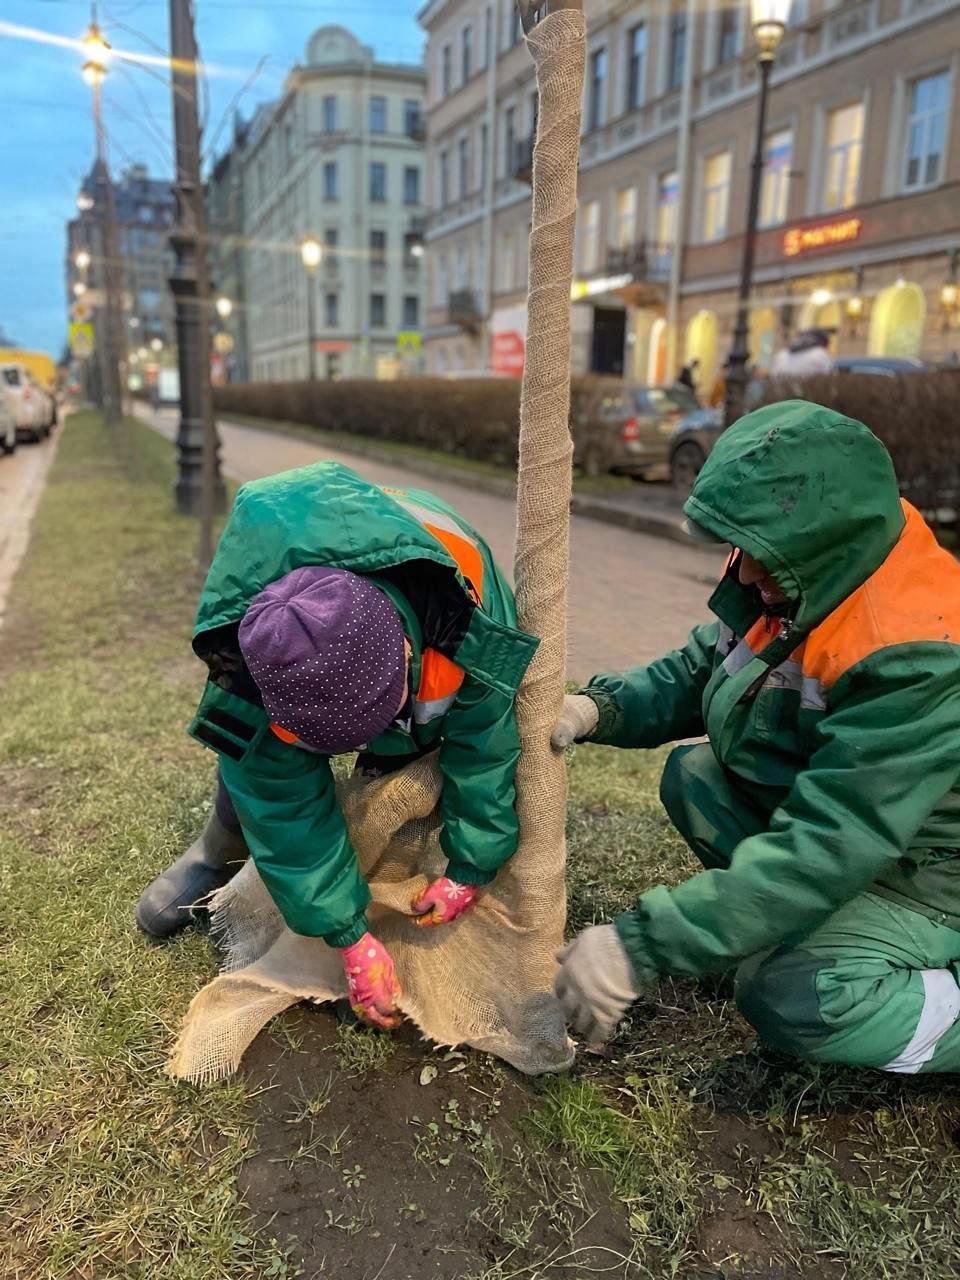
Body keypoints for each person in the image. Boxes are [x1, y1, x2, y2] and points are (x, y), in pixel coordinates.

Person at [552, 399, 960, 1074]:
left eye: (756, 557)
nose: (741, 574)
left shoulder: (916, 652)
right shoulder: (802, 566)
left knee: (791, 994)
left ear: (830, 540)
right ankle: (790, 927)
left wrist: (641, 946)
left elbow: (829, 843)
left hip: (931, 880)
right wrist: (599, 708)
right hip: (875, 841)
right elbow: (700, 669)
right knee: (697, 780)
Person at [137, 461, 538, 1028]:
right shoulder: (251, 665)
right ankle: (213, 853)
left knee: (412, 760)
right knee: (250, 763)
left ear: (405, 652)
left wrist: (471, 866)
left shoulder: (467, 609)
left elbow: (485, 743)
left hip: (430, 575)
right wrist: (349, 938)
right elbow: (280, 798)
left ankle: (391, 760)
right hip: (298, 634)